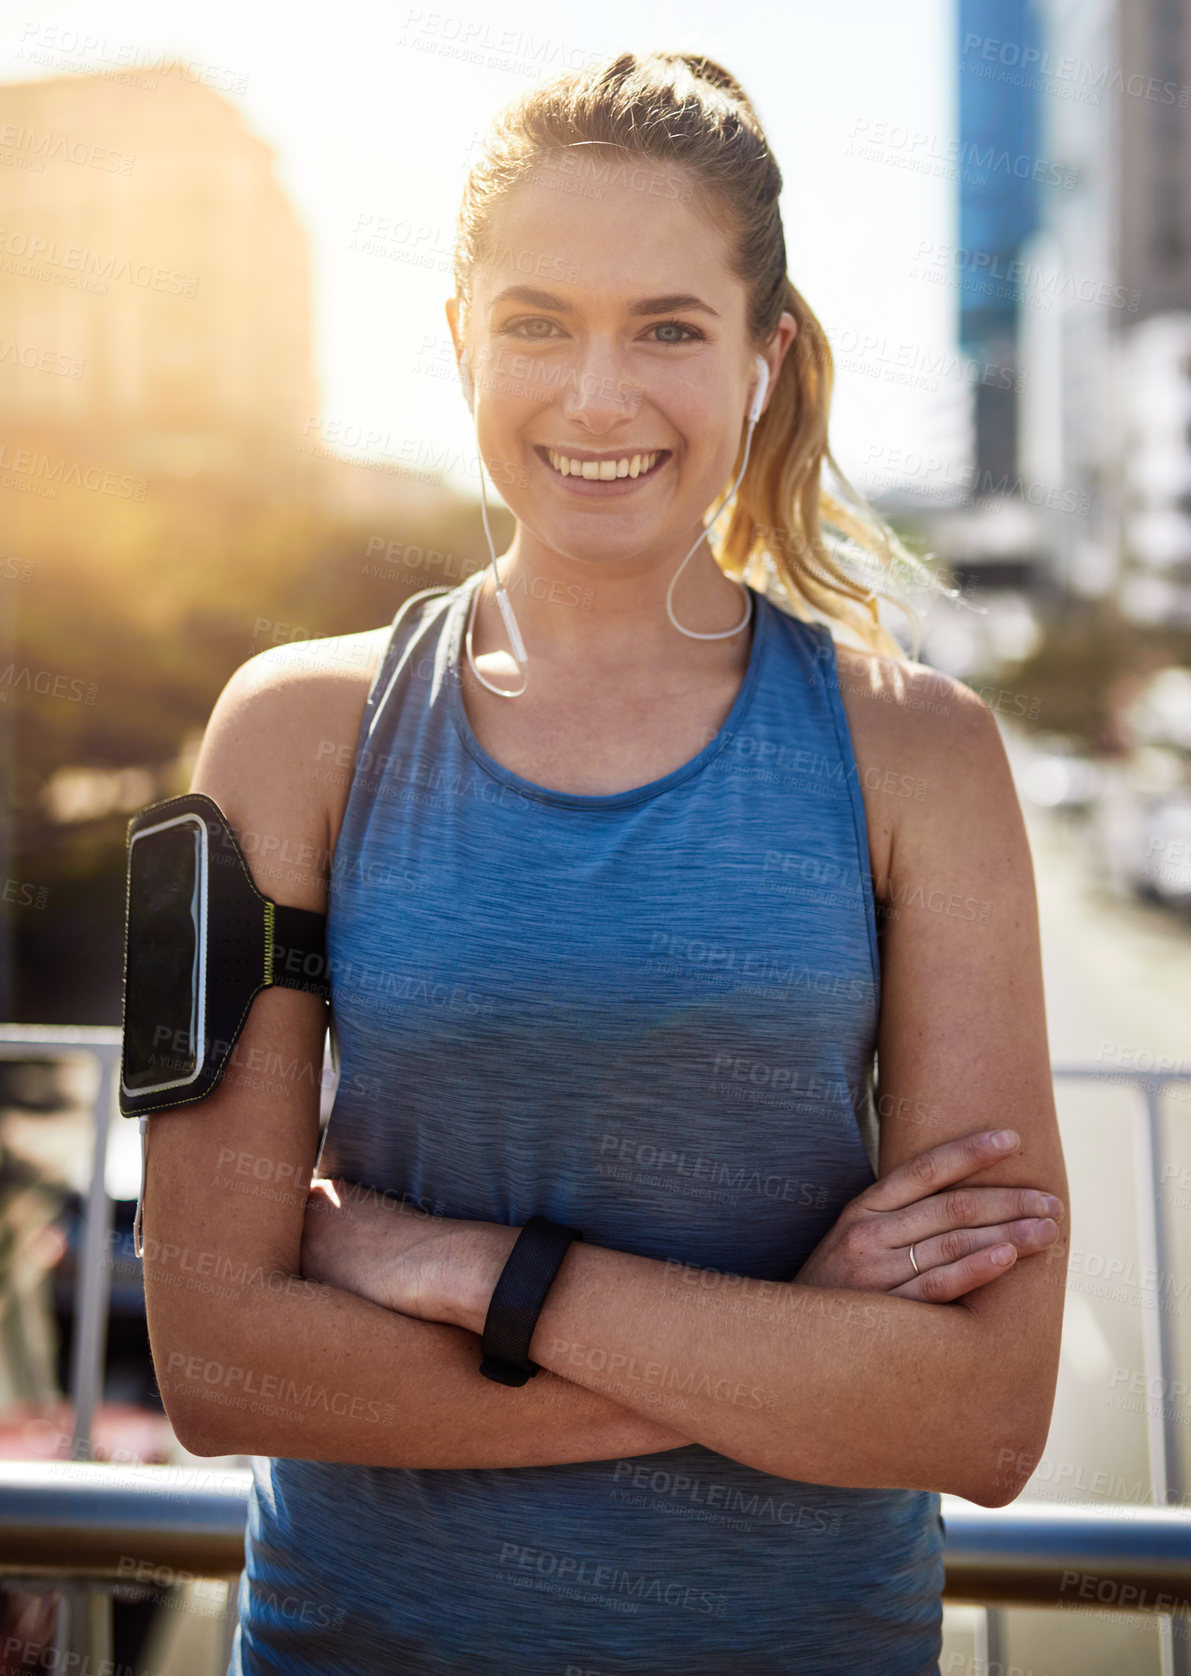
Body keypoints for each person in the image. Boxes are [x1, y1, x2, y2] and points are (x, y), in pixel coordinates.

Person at [140, 50, 1070, 1676]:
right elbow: (220, 1364)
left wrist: (450, 1266)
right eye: (536, 322)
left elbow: (985, 1413)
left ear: (764, 358)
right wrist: (794, 1350)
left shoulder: (931, 755)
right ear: (456, 339)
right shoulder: (283, 734)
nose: (595, 395)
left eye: (668, 327)